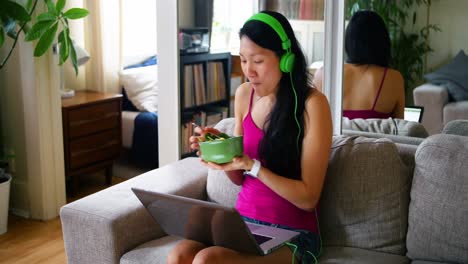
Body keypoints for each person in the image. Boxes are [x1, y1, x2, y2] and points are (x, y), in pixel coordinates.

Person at [167, 11, 332, 264]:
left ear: (285, 59)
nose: (248, 72)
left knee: (207, 260)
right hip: (242, 224)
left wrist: (253, 166)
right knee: (179, 254)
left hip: (292, 233)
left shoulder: (313, 105)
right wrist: (222, 150)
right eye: (244, 60)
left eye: (257, 61)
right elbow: (237, 178)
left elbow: (308, 199)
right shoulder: (245, 95)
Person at [314, 10, 405, 119]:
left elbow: (312, 122)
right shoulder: (394, 78)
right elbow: (400, 130)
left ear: (349, 40)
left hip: (331, 137)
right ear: (383, 41)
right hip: (376, 137)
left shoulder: (322, 74)